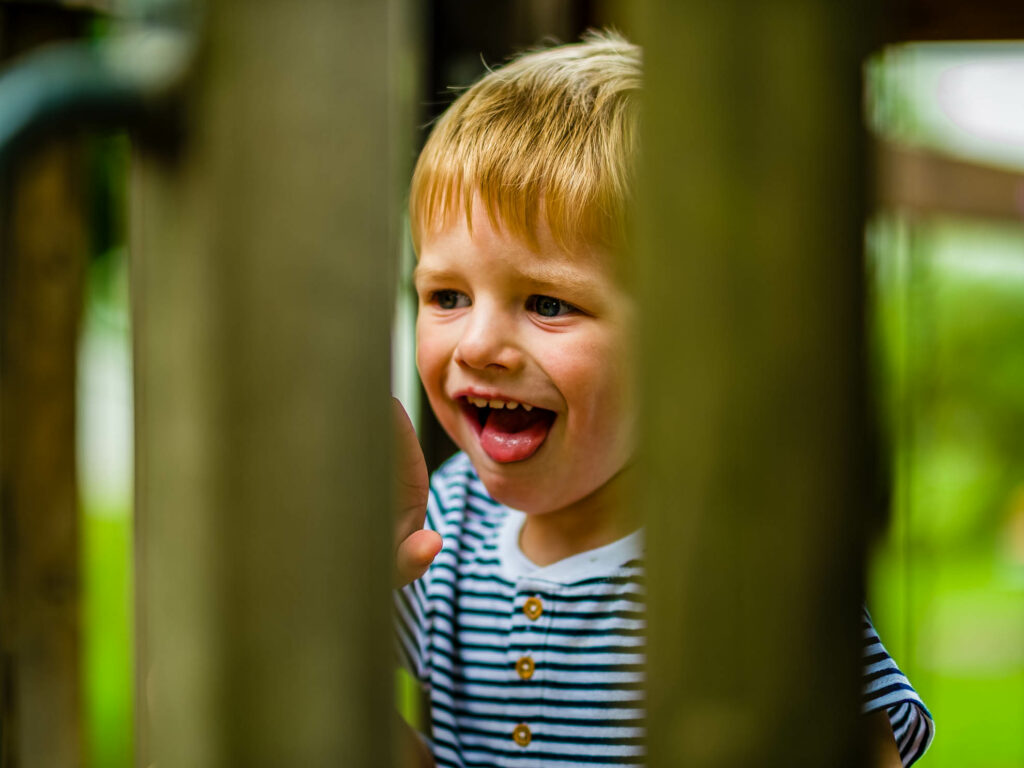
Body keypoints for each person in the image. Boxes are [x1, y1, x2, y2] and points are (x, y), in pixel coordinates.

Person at [392, 30, 934, 768]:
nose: (479, 345)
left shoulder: (730, 556)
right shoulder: (442, 527)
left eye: (548, 304)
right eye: (446, 295)